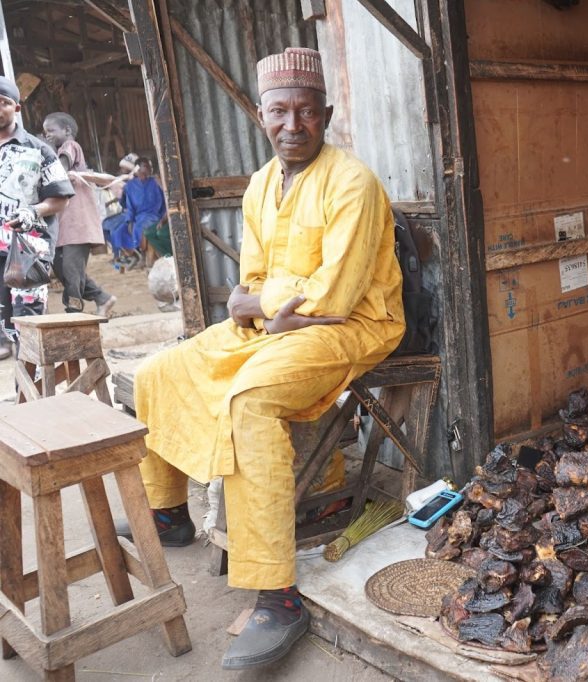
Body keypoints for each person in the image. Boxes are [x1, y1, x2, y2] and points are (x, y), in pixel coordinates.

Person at [119, 47, 405, 669]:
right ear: (259, 113)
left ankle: (277, 596)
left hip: (354, 327)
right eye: (279, 110)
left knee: (249, 399)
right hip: (278, 326)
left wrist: (261, 303)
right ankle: (168, 514)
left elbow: (332, 295)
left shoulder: (352, 181)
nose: (292, 124)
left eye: (306, 111)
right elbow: (246, 285)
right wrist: (262, 306)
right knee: (158, 371)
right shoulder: (259, 185)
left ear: (326, 115)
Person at [0, 76, 74, 359]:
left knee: (28, 325)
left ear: (16, 108)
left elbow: (60, 199)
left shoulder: (39, 150)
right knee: (5, 326)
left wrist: (33, 211)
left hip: (27, 253)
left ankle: (29, 395)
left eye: (4, 103)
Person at [42, 112, 116, 317]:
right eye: (44, 132)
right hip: (64, 224)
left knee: (71, 269)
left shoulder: (70, 146)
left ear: (67, 131)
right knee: (60, 267)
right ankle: (103, 298)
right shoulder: (59, 152)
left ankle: (73, 310)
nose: (47, 135)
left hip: (78, 222)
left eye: (50, 131)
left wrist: (44, 152)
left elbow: (60, 170)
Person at [116, 156, 164, 269]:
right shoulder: (130, 186)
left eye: (150, 166)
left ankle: (144, 256)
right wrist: (129, 220)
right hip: (137, 217)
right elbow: (128, 205)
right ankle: (133, 255)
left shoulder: (156, 182)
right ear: (137, 168)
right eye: (146, 166)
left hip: (155, 216)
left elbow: (165, 200)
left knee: (144, 225)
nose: (150, 169)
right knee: (119, 231)